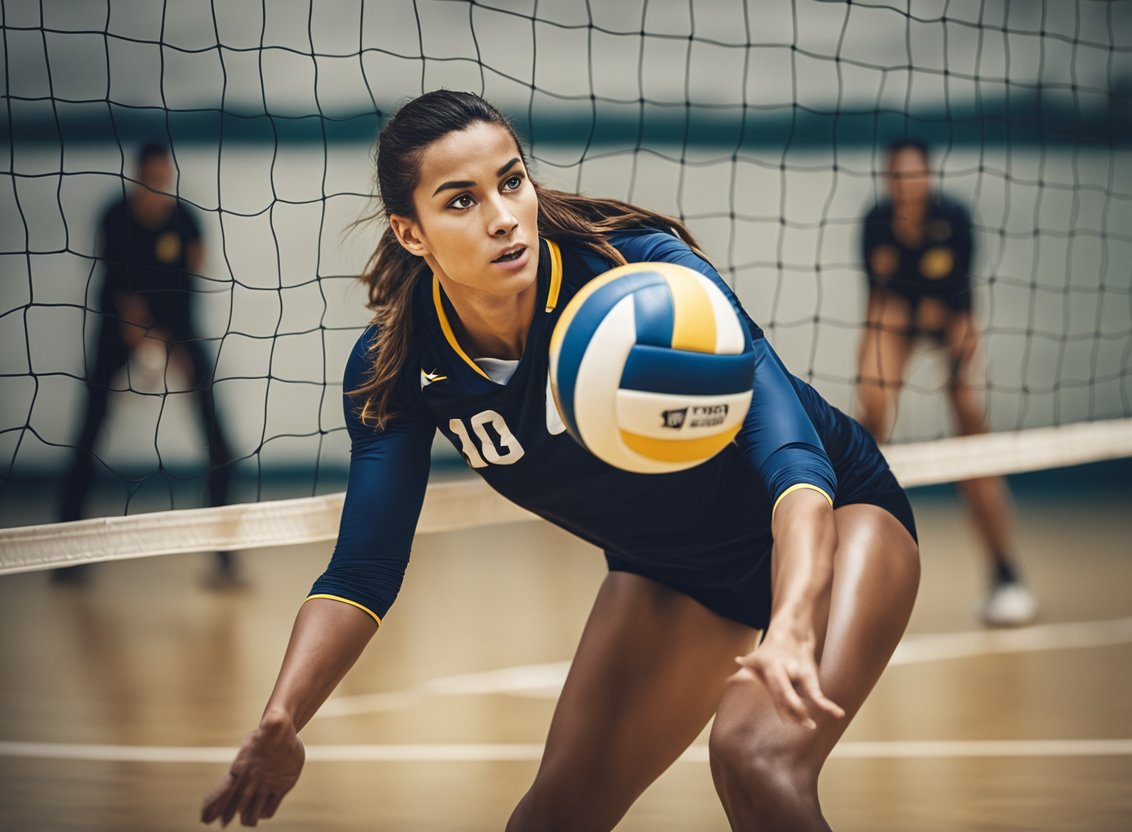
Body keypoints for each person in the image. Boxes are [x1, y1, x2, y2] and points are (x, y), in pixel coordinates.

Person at [200, 91, 920, 831]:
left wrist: (796, 618)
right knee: (549, 822)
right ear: (409, 233)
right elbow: (363, 568)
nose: (503, 215)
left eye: (512, 181)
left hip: (832, 521)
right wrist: (283, 717)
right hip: (671, 575)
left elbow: (793, 457)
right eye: (461, 201)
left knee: (754, 755)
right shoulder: (397, 364)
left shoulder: (638, 272)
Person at [856, 139, 1036, 626]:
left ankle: (1005, 574)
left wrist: (961, 377)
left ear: (927, 177)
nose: (906, 184)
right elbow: (879, 311)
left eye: (914, 175)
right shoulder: (877, 223)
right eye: (897, 176)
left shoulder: (952, 220)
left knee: (971, 428)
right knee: (866, 426)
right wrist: (871, 390)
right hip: (898, 319)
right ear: (889, 180)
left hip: (948, 318)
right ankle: (850, 580)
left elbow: (965, 315)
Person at [57, 143, 239, 586]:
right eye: (151, 182)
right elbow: (116, 287)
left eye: (164, 182)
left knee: (220, 443)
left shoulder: (185, 218)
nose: (158, 190)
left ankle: (225, 558)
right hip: (117, 329)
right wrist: (140, 337)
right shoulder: (115, 217)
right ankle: (65, 554)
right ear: (137, 177)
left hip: (178, 327)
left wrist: (170, 345)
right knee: (87, 433)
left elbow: (195, 269)